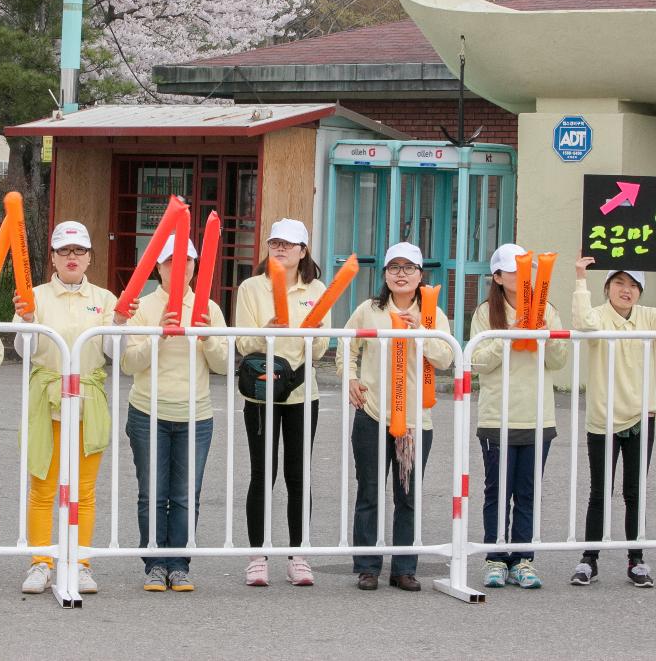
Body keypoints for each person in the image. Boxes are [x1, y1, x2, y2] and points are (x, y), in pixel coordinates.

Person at [569, 254, 656, 589]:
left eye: (633, 285)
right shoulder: (598, 316)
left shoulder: (649, 317)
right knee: (599, 492)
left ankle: (636, 559)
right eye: (619, 283)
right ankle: (589, 559)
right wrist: (579, 278)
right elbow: (583, 322)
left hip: (641, 416)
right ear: (607, 287)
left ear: (641, 291)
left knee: (635, 492)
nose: (626, 290)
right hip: (603, 418)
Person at [337, 242, 453, 591]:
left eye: (408, 268)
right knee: (369, 492)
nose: (401, 274)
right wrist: (350, 378)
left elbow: (446, 358)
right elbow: (346, 345)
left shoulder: (433, 314)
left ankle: (404, 566)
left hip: (415, 423)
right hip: (373, 415)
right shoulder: (369, 310)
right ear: (385, 275)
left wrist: (422, 330)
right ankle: (367, 566)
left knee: (408, 496)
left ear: (421, 275)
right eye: (394, 268)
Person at [119, 236, 229, 592]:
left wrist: (206, 338)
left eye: (188, 262)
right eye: (171, 262)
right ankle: (154, 564)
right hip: (147, 411)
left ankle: (179, 564)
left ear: (198, 267)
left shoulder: (208, 308)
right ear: (158, 267)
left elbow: (225, 364)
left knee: (186, 494)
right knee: (151, 492)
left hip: (196, 415)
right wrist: (159, 337)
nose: (180, 269)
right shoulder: (142, 307)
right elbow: (127, 363)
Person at [13, 222, 117, 596]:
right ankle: (41, 562)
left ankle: (80, 563)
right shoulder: (35, 296)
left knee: (84, 491)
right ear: (53, 258)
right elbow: (24, 351)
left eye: (79, 251)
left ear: (90, 257)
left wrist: (119, 324)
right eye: (64, 251)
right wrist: (27, 322)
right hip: (47, 401)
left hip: (88, 401)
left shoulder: (105, 298)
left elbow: (113, 353)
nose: (72, 258)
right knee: (43, 487)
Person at [234, 218, 329, 588]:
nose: (280, 249)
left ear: (303, 251)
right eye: (275, 242)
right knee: (262, 472)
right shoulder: (251, 287)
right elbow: (243, 343)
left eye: (289, 244)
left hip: (304, 391)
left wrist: (312, 337)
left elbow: (322, 347)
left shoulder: (317, 288)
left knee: (298, 474)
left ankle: (298, 555)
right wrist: (265, 333)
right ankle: (257, 557)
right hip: (259, 391)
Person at [470, 243, 569, 590]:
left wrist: (543, 332)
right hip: (498, 416)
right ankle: (495, 557)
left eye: (524, 270)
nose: (520, 276)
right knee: (498, 490)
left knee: (528, 492)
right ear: (497, 277)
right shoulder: (486, 313)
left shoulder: (547, 310)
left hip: (538, 417)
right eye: (512, 270)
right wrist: (509, 336)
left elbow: (559, 361)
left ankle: (523, 558)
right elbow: (478, 362)